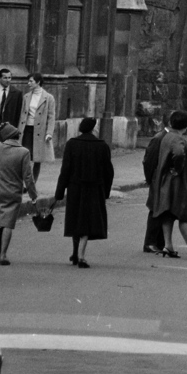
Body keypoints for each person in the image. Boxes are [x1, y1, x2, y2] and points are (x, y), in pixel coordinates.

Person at [53, 115, 113, 268]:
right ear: (94, 128)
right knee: (87, 221)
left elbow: (65, 170)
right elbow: (108, 172)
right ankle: (81, 256)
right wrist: (105, 192)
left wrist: (59, 192)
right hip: (94, 188)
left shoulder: (72, 144)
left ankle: (75, 252)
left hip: (75, 188)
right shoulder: (102, 146)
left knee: (76, 219)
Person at [0, 124, 36, 266]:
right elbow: (28, 177)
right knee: (8, 223)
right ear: (17, 136)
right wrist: (33, 195)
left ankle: (0, 251)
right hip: (13, 192)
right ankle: (3, 253)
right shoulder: (24, 152)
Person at [150, 109, 187, 260]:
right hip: (177, 183)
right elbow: (179, 153)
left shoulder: (166, 137)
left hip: (166, 181)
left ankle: (168, 245)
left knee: (168, 214)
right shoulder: (178, 140)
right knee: (183, 215)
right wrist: (177, 169)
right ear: (185, 126)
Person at [22, 71, 56, 177]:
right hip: (26, 128)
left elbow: (51, 116)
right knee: (24, 156)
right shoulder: (26, 96)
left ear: (38, 82)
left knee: (37, 158)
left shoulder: (49, 98)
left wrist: (49, 133)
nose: (28, 83)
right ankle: (25, 180)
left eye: (31, 81)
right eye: (28, 81)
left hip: (40, 131)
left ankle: (32, 182)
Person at [141, 124, 166, 253]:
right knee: (155, 209)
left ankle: (159, 242)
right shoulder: (159, 138)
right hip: (158, 179)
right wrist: (150, 178)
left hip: (162, 179)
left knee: (162, 210)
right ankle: (150, 242)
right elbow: (148, 161)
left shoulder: (166, 137)